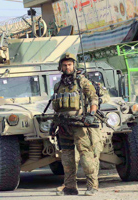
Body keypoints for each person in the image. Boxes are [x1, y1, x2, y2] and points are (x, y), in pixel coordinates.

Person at [52, 53, 102, 196]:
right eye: (64, 65)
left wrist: (91, 114)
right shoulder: (58, 86)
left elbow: (93, 98)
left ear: (74, 65)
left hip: (80, 125)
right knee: (67, 159)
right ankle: (70, 187)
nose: (67, 67)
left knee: (86, 156)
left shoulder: (82, 82)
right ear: (60, 67)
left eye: (69, 64)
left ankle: (92, 186)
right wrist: (53, 124)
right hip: (63, 126)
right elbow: (56, 107)